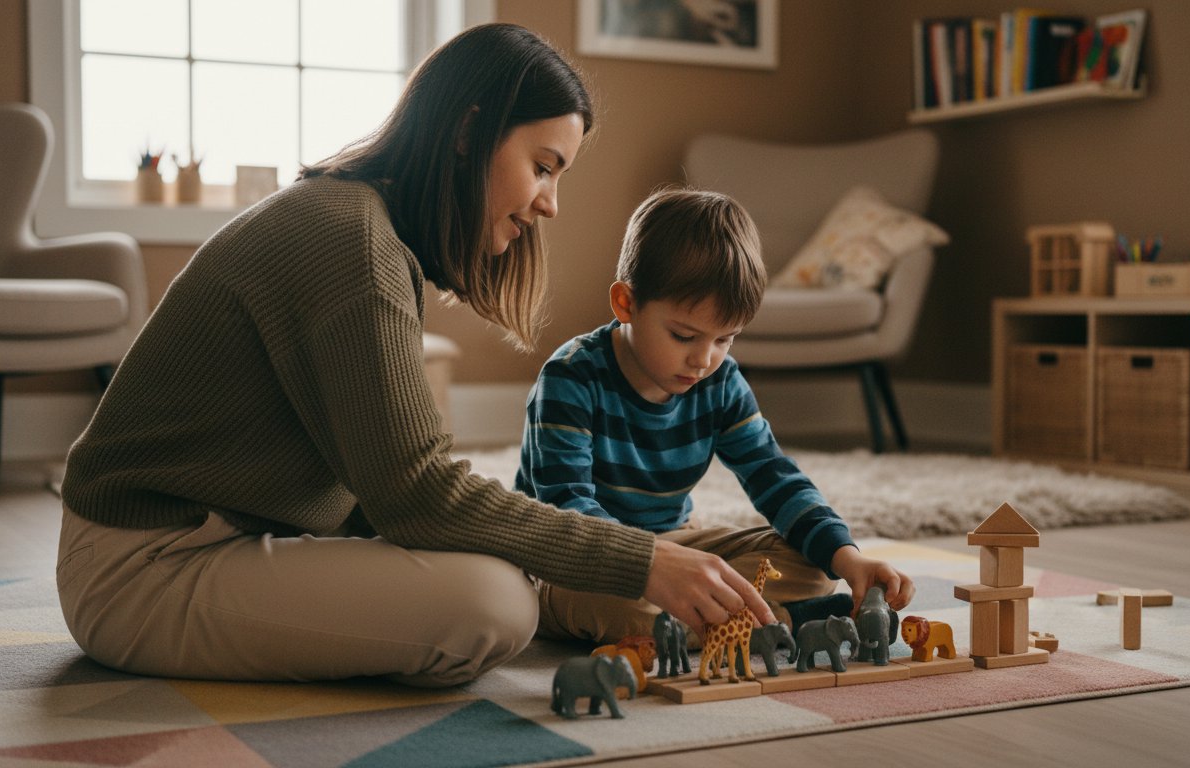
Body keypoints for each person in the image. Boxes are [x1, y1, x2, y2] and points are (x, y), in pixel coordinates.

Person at [55, 23, 777, 688]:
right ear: (469, 133)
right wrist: (642, 559)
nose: (551, 203)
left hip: (220, 538)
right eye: (544, 166)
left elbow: (391, 493)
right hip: (142, 568)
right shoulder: (351, 243)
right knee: (495, 605)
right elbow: (417, 492)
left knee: (504, 564)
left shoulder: (359, 225)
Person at [515, 188, 915, 645]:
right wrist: (648, 564)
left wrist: (848, 558)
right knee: (610, 607)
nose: (704, 360)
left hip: (677, 543)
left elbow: (773, 476)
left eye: (725, 339)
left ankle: (704, 622)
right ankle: (777, 624)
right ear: (626, 304)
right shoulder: (571, 378)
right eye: (684, 336)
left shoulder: (720, 380)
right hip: (579, 560)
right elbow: (567, 505)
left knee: (813, 565)